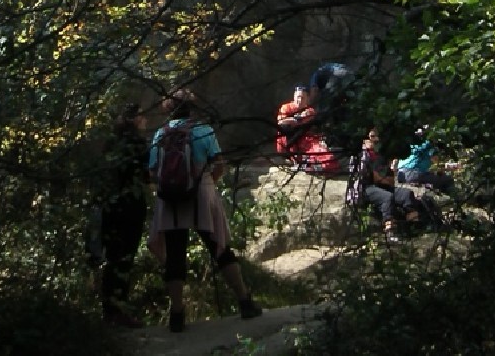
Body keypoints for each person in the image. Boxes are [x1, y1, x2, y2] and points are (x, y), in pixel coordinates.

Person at [147, 90, 263, 334]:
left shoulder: (160, 134)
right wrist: (207, 183)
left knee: (175, 255)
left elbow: (152, 173)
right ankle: (244, 302)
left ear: (167, 110)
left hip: (170, 199)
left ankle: (176, 315)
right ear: (192, 108)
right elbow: (219, 164)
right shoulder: (203, 131)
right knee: (219, 247)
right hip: (201, 193)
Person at [88, 102, 150, 328]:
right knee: (124, 258)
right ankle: (119, 311)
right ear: (134, 120)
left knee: (113, 257)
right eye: (142, 116)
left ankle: (109, 311)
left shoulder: (112, 143)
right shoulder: (137, 144)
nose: (146, 120)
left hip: (110, 206)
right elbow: (146, 175)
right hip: (130, 206)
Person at [348, 128, 423, 243]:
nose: (375, 140)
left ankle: (413, 226)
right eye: (372, 137)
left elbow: (390, 180)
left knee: (407, 194)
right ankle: (389, 231)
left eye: (377, 136)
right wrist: (381, 178)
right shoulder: (360, 156)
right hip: (365, 188)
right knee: (387, 197)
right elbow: (373, 177)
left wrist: (383, 178)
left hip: (381, 186)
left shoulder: (381, 156)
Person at [275, 85, 341, 174]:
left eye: (302, 98)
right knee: (284, 129)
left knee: (328, 159)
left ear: (307, 99)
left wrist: (293, 120)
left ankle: (313, 166)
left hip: (306, 140)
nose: (299, 100)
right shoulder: (286, 107)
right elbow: (281, 122)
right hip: (289, 143)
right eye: (298, 97)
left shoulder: (310, 111)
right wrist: (297, 119)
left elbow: (303, 120)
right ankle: (296, 159)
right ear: (294, 97)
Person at [396, 125, 453, 192]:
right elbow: (435, 161)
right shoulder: (429, 144)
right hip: (413, 174)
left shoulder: (409, 141)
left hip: (400, 174)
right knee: (447, 180)